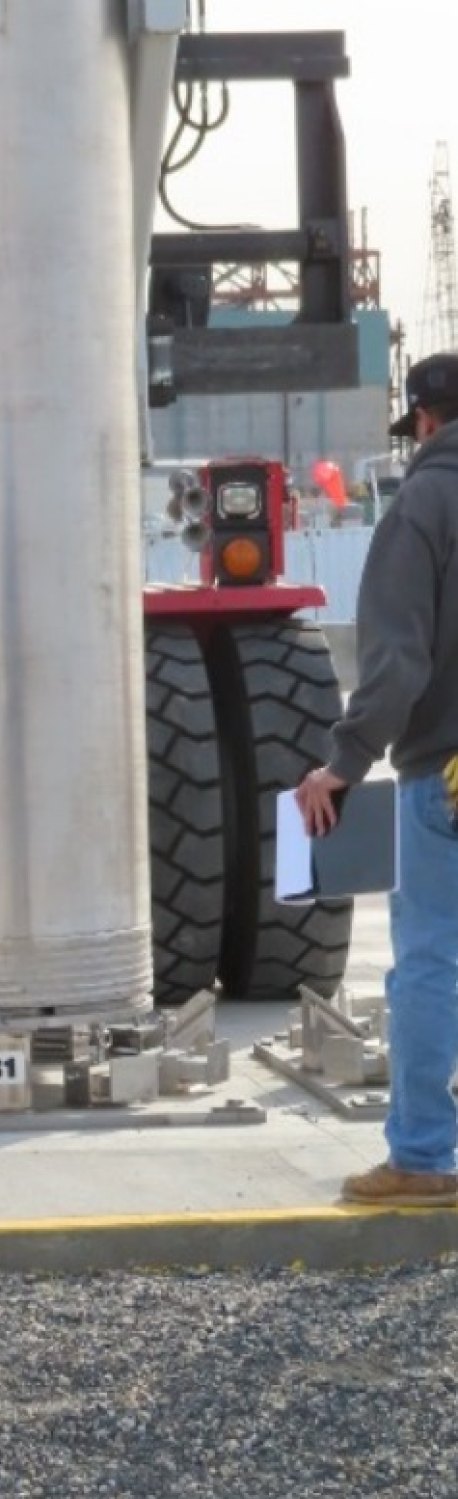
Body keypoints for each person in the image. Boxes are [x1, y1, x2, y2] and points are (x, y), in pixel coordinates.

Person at [295, 350, 458, 1207]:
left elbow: (397, 663)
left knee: (430, 961)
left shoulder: (426, 504)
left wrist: (344, 761)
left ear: (425, 420)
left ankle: (424, 1158)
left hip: (450, 774)